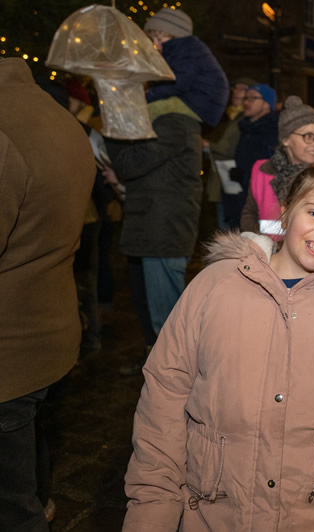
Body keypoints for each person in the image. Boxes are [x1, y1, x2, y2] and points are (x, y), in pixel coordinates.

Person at [122, 161, 314, 531]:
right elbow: (164, 396)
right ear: (286, 210)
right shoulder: (215, 284)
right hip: (218, 512)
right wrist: (153, 512)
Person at [0, 57, 95, 531]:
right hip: (48, 327)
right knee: (25, 443)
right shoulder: (54, 113)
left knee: (12, 507)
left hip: (9, 341)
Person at [106, 7, 228, 375]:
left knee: (169, 323)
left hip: (163, 229)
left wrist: (114, 128)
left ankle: (176, 382)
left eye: (158, 39)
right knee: (158, 317)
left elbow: (133, 163)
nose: (153, 45)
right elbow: (140, 170)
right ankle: (163, 372)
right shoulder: (172, 117)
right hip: (155, 226)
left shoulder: (175, 120)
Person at [239, 95, 314, 235]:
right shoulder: (262, 171)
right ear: (286, 139)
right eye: (308, 136)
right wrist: (261, 242)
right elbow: (249, 214)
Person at [221, 83, 279, 228]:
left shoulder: (272, 133)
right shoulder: (246, 129)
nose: (246, 102)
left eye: (253, 98)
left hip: (258, 209)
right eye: (246, 98)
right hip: (239, 202)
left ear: (266, 104)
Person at [205, 76, 259, 230]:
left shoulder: (246, 120)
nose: (236, 92)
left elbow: (231, 147)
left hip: (234, 179)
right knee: (224, 226)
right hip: (222, 177)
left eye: (242, 89)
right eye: (235, 88)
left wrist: (208, 144)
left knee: (231, 227)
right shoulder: (228, 115)